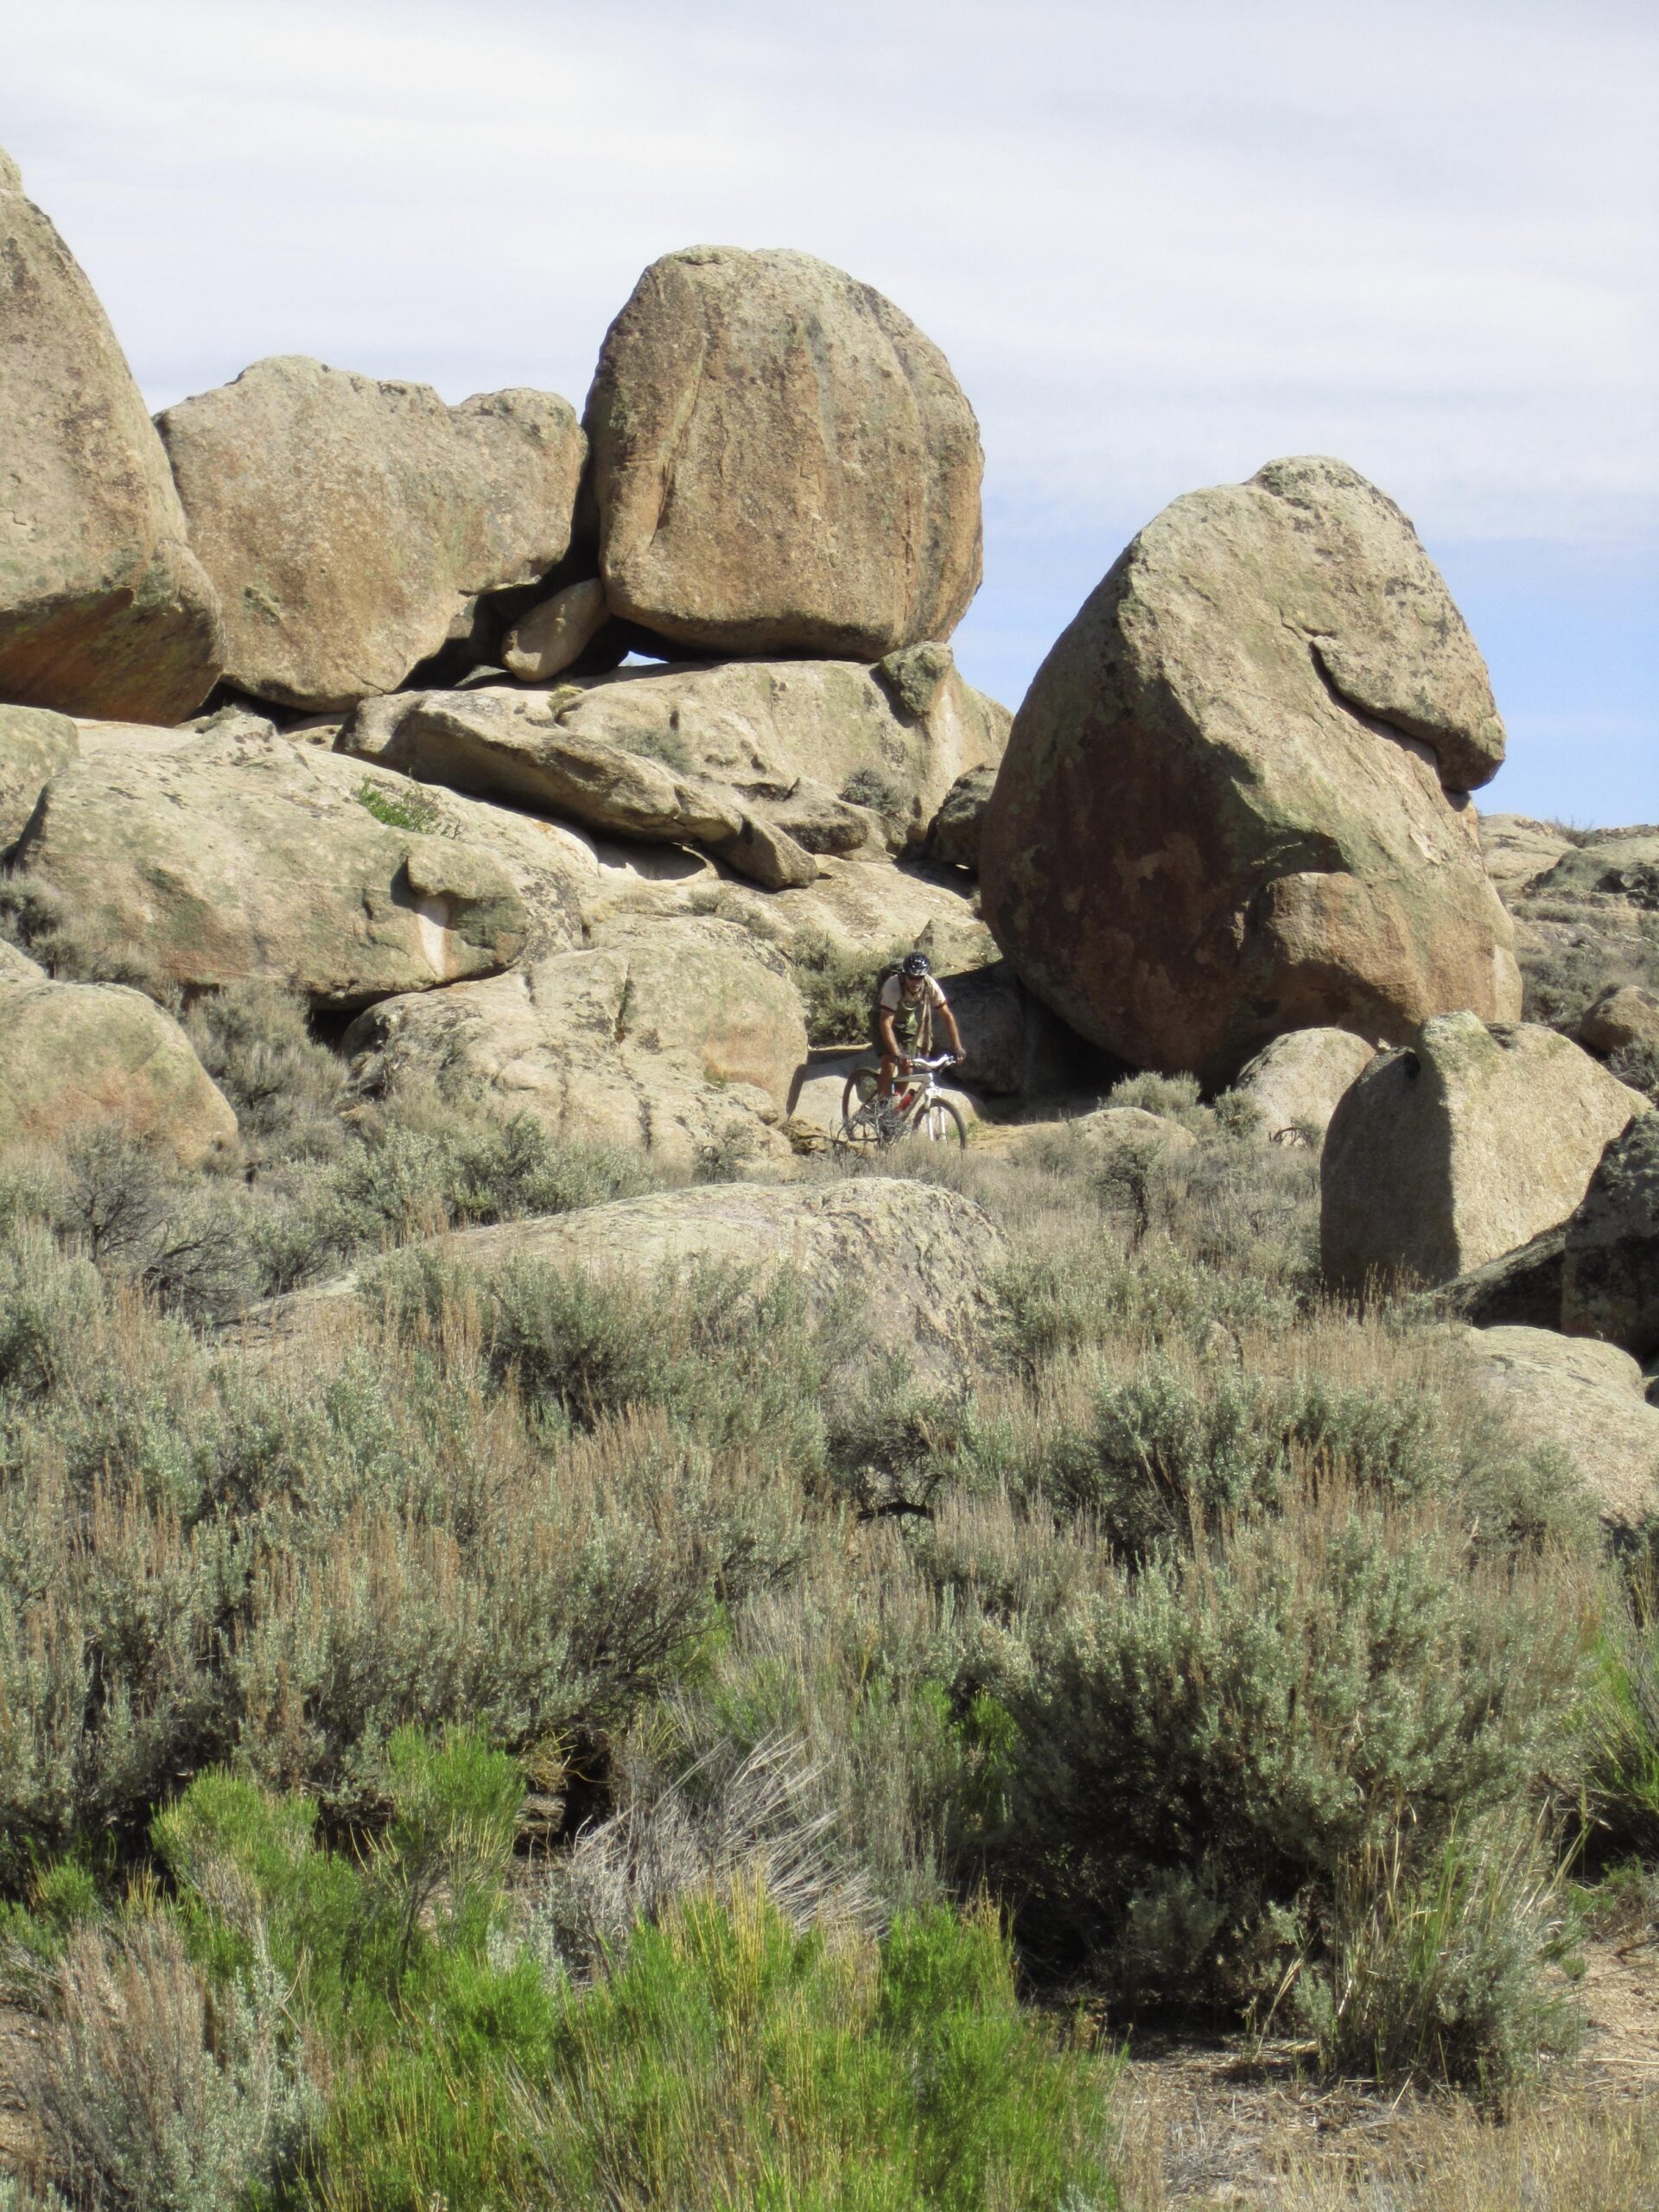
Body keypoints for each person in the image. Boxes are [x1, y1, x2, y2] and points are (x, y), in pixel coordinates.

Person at [874, 950, 964, 1106]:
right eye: (912, 977)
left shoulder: (929, 985)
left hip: (904, 1020)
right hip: (882, 1018)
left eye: (919, 978)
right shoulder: (893, 985)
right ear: (905, 974)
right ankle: (881, 1106)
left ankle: (895, 1107)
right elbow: (885, 1023)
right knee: (889, 1062)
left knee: (908, 1069)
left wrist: (957, 1047)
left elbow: (947, 1016)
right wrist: (897, 1053)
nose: (915, 982)